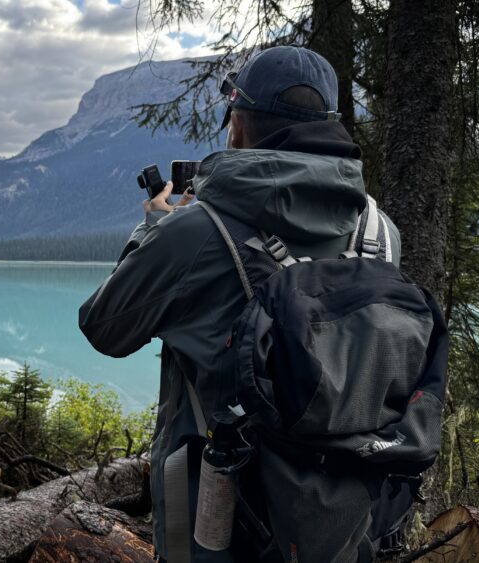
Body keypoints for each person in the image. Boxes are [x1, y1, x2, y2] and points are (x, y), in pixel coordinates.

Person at [79, 46, 402, 562]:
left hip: (217, 523)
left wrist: (155, 226)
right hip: (343, 519)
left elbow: (104, 327)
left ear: (237, 125)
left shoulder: (196, 232)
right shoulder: (378, 232)